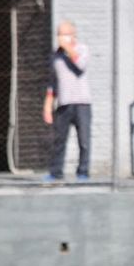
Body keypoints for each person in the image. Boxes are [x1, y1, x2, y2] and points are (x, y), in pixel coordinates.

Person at [43, 20, 92, 182]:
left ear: (73, 35)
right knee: (59, 140)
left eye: (65, 34)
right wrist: (48, 105)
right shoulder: (55, 56)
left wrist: (68, 48)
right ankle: (56, 172)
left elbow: (81, 65)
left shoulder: (82, 49)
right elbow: (53, 83)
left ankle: (83, 172)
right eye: (59, 34)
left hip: (82, 103)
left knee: (84, 140)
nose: (61, 37)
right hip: (64, 104)